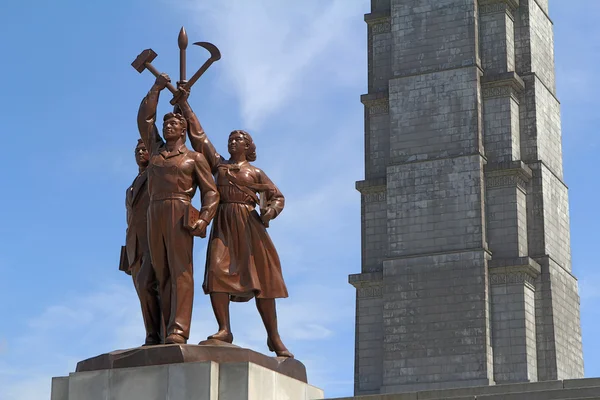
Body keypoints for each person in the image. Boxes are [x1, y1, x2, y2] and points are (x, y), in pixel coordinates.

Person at [178, 89, 293, 358]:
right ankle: (224, 329)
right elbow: (199, 138)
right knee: (217, 272)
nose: (232, 142)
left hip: (250, 226)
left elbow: (276, 197)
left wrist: (269, 213)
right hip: (224, 223)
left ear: (248, 146)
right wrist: (185, 106)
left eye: (238, 139)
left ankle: (273, 337)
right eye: (230, 139)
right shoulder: (218, 165)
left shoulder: (255, 172)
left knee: (264, 280)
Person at [137, 73, 219, 344]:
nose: (168, 126)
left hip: (180, 210)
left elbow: (211, 191)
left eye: (173, 123)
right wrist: (157, 88)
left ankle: (179, 329)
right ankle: (159, 330)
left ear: (183, 129)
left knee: (180, 271)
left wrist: (204, 219)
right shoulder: (156, 151)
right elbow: (144, 121)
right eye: (166, 123)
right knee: (156, 274)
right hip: (155, 211)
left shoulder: (194, 158)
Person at [123, 139, 162, 345]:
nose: (140, 152)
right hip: (134, 245)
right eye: (137, 150)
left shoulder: (156, 174)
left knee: (148, 284)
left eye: (144, 149)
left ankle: (159, 333)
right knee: (142, 291)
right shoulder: (130, 186)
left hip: (153, 237)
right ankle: (152, 334)